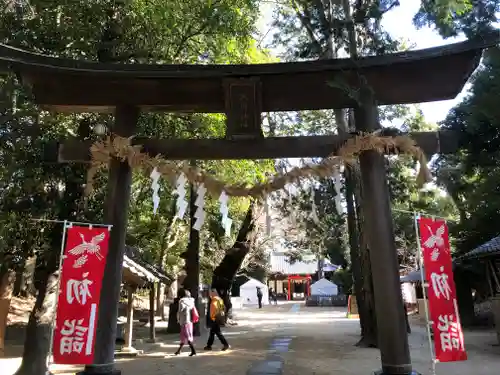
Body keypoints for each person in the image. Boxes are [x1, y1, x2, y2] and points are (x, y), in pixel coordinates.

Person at [174, 289, 198, 356]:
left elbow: (180, 311)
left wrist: (178, 318)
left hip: (184, 320)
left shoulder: (181, 301)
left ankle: (193, 351)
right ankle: (179, 351)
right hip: (190, 320)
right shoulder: (191, 301)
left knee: (186, 336)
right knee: (185, 335)